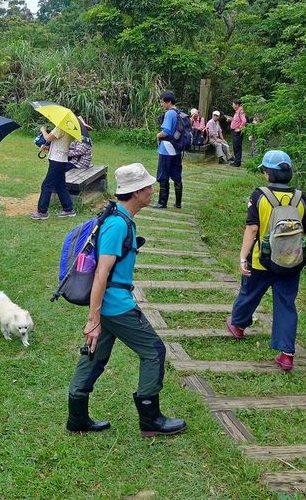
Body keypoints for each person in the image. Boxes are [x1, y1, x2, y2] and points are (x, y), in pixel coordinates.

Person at [67, 163, 186, 437]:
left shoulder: (122, 219)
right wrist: (93, 319)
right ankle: (151, 419)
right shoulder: (117, 225)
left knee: (95, 355)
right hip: (115, 305)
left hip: (109, 304)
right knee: (154, 351)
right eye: (147, 187)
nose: (151, 190)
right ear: (135, 192)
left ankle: (77, 418)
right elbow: (101, 274)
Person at [226, 150, 306, 371]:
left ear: (269, 173)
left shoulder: (259, 195)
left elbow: (252, 228)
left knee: (249, 293)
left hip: (261, 260)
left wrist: (243, 257)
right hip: (291, 261)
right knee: (286, 304)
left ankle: (237, 325)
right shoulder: (300, 197)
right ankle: (286, 354)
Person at [30, 119, 80, 220]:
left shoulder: (60, 128)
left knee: (47, 185)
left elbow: (48, 138)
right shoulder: (68, 129)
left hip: (57, 160)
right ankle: (68, 209)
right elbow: (59, 143)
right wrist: (47, 148)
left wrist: (43, 130)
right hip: (61, 159)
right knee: (60, 185)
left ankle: (42, 212)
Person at [152, 91, 183, 209]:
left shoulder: (169, 113)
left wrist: (158, 135)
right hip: (177, 149)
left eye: (162, 101)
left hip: (166, 149)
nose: (161, 104)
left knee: (163, 175)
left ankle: (162, 202)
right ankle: (178, 202)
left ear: (168, 102)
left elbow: (167, 131)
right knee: (176, 175)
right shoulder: (178, 112)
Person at [229, 100, 247, 167]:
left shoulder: (240, 111)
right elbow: (238, 121)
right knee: (235, 146)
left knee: (237, 147)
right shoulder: (237, 111)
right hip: (234, 131)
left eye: (233, 104)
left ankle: (237, 162)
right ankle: (236, 161)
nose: (232, 106)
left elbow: (244, 121)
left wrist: (239, 128)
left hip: (237, 132)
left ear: (237, 105)